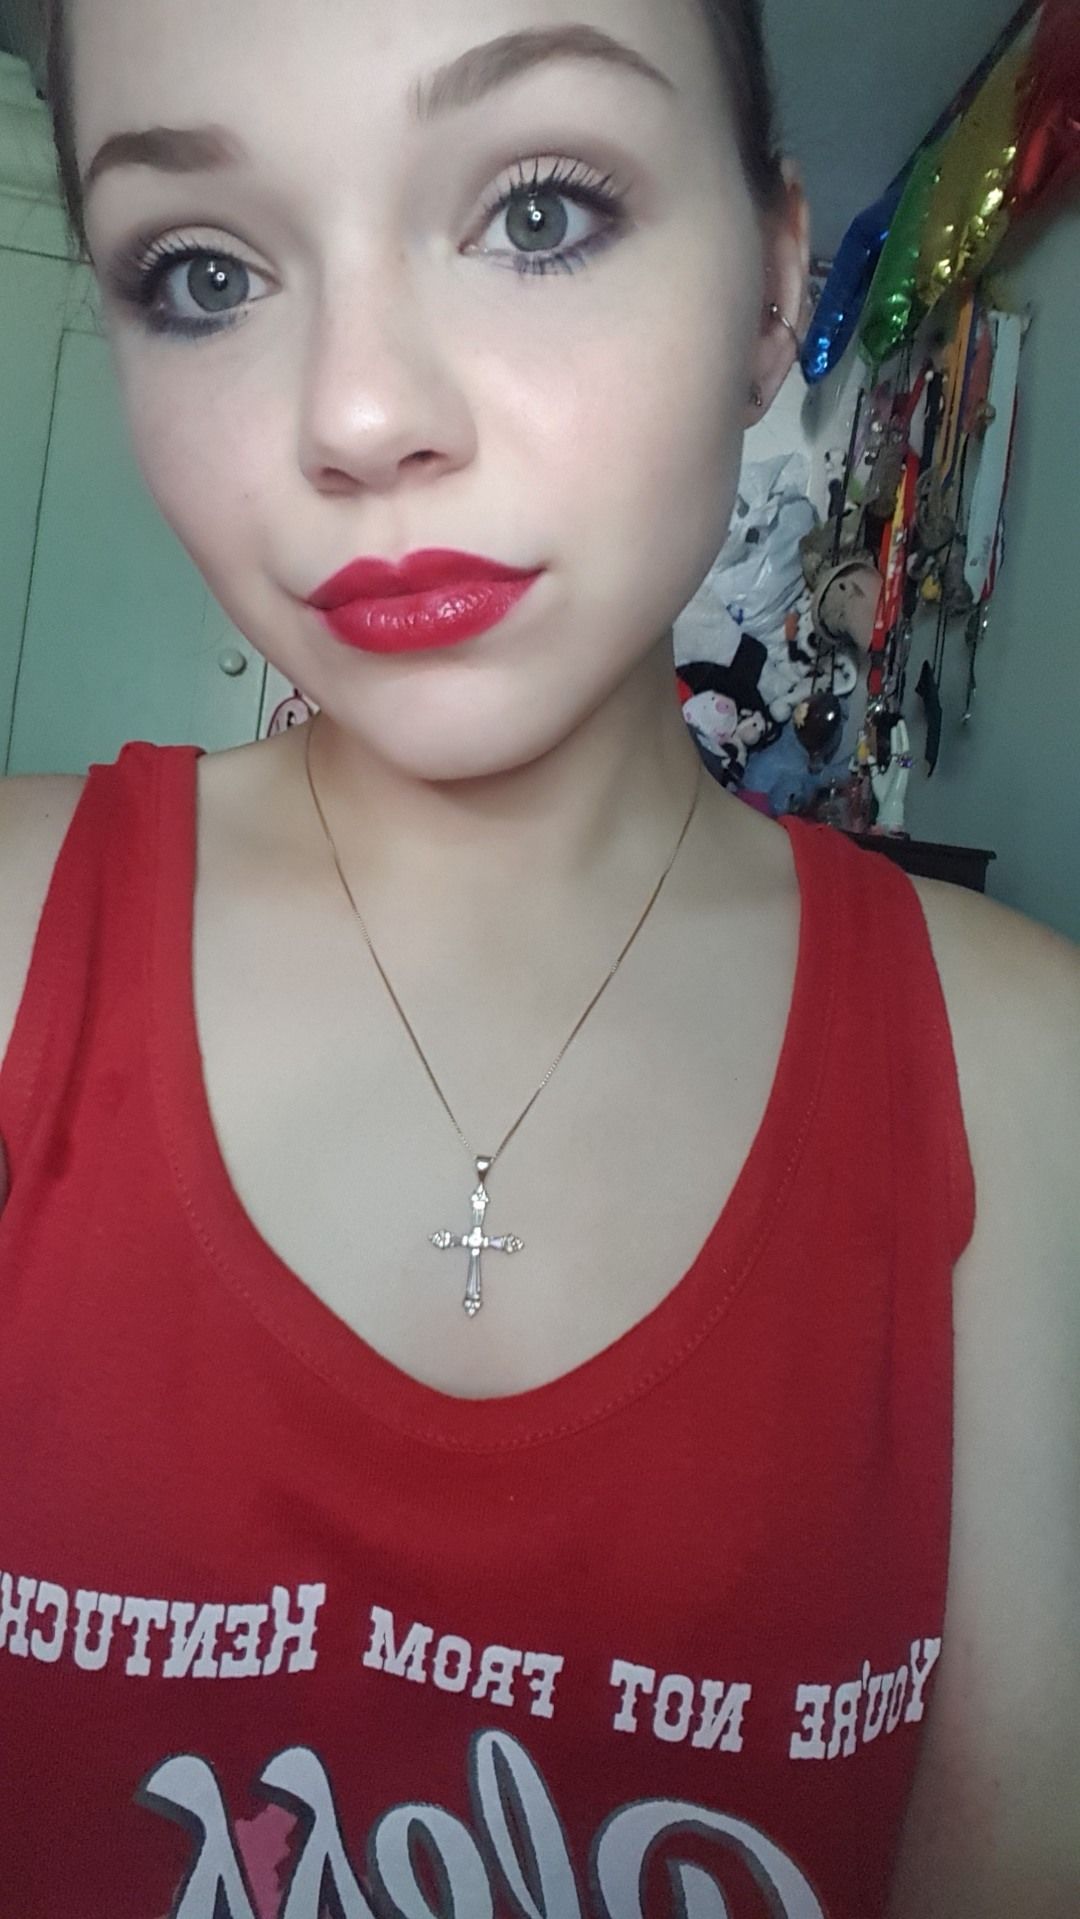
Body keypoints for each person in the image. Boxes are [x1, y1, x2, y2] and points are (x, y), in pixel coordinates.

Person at [0, 0, 1077, 1913]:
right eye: (204, 271)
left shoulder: (1027, 1086)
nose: (356, 416)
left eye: (539, 213)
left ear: (772, 288)